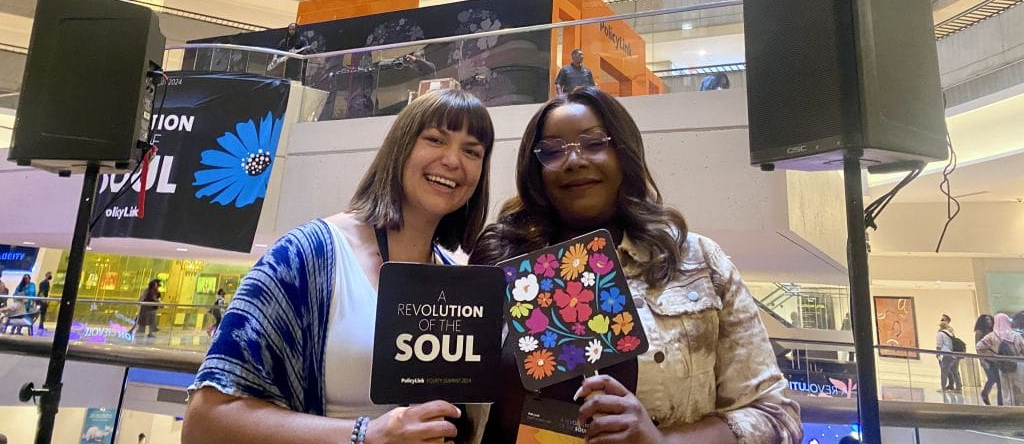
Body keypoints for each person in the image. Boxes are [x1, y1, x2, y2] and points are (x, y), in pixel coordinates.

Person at [469, 87, 803, 443]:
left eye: (594, 143)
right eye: (552, 151)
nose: (573, 160)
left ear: (624, 153)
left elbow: (776, 415)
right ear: (536, 170)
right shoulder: (500, 266)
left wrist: (662, 442)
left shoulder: (698, 262)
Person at [183, 89, 495, 444]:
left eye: (472, 151)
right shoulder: (307, 255)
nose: (453, 161)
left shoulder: (458, 277)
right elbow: (203, 421)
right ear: (400, 148)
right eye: (436, 139)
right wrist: (366, 435)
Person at [977, 313, 1024, 406]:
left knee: (1005, 389)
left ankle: (1008, 408)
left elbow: (979, 346)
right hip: (1018, 365)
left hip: (1002, 366)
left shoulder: (992, 336)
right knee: (1019, 387)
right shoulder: (1016, 335)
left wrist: (993, 356)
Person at [975, 314, 1002, 405]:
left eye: (990, 319)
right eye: (987, 320)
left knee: (998, 380)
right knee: (992, 378)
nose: (989, 321)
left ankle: (999, 402)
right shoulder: (979, 333)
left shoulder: (993, 332)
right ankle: (984, 393)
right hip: (986, 359)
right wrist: (982, 361)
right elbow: (978, 348)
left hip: (994, 359)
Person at [936, 314, 962, 393]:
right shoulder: (951, 332)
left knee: (944, 372)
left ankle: (943, 388)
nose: (941, 320)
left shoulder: (940, 333)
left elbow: (939, 346)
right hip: (954, 354)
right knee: (955, 371)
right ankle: (958, 387)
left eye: (943, 319)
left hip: (946, 355)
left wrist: (937, 354)